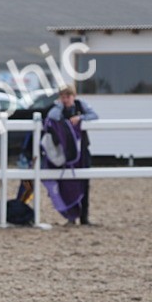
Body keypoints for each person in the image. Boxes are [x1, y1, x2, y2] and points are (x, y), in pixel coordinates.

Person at [42, 84, 98, 225]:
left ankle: (84, 217)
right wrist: (60, 107)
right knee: (67, 184)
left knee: (84, 182)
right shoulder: (57, 109)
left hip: (82, 149)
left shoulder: (81, 105)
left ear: (74, 96)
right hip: (66, 152)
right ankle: (71, 216)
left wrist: (81, 118)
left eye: (68, 96)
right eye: (62, 96)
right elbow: (51, 117)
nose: (65, 99)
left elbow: (94, 116)